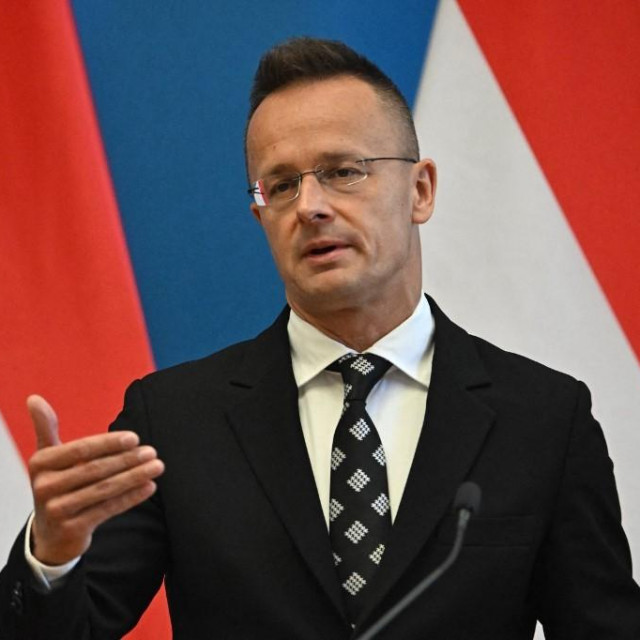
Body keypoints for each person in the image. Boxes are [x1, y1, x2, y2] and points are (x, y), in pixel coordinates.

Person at [1, 36, 639, 640]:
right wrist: (51, 557)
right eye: (281, 185)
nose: (310, 206)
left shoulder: (544, 419)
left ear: (420, 190)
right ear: (261, 214)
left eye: (342, 171)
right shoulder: (174, 419)